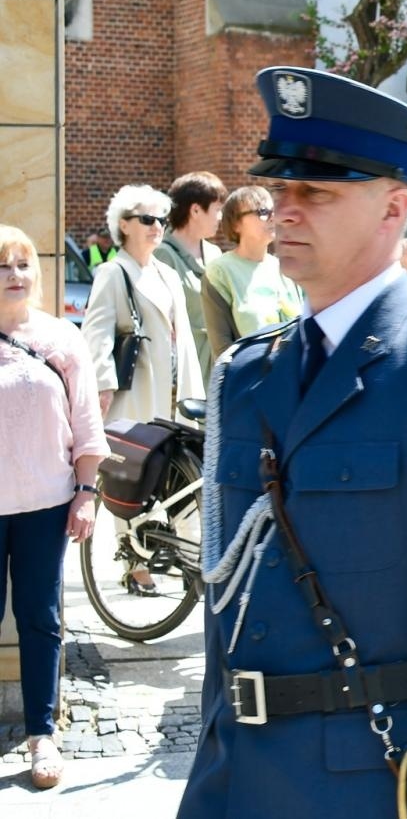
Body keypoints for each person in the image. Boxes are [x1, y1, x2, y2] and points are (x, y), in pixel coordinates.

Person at [178, 66, 407, 819]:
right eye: (279, 188)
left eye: (316, 192)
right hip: (242, 779)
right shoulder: (249, 374)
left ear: (394, 206)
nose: (284, 208)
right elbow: (230, 606)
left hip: (378, 782)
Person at [0, 224, 110, 790]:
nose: (15, 275)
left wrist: (88, 492)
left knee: (40, 620)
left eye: (22, 265)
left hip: (46, 502)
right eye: (2, 266)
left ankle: (42, 733)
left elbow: (87, 422)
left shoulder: (60, 339)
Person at [82, 184, 205, 425]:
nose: (157, 226)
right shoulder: (112, 272)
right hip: (135, 391)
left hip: (175, 394)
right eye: (148, 219)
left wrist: (195, 391)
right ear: (124, 224)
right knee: (135, 459)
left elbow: (184, 340)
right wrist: (102, 386)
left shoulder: (168, 274)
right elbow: (97, 334)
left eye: (162, 220)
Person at [201, 185, 304, 358]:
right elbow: (222, 351)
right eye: (263, 212)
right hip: (250, 380)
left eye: (274, 210)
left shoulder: (286, 268)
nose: (273, 218)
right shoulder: (219, 272)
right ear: (236, 224)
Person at [152, 171, 226, 379]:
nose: (220, 217)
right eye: (217, 209)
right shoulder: (161, 255)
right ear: (195, 210)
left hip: (215, 369)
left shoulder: (215, 253)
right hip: (181, 374)